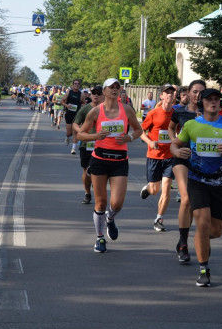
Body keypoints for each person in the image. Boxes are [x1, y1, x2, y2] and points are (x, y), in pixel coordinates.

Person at [171, 88, 222, 287]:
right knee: (202, 222)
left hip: (219, 182)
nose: (213, 103)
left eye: (216, 100)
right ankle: (204, 269)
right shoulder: (192, 125)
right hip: (197, 180)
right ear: (202, 103)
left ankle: (199, 239)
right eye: (209, 99)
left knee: (216, 231)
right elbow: (174, 144)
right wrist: (178, 151)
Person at [77, 78, 142, 253]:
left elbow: (138, 130)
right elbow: (81, 135)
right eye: (110, 87)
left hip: (120, 160)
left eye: (117, 87)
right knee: (100, 202)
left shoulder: (127, 110)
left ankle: (110, 219)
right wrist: (96, 136)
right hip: (99, 160)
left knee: (117, 203)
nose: (114, 90)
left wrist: (129, 137)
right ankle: (100, 238)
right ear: (104, 91)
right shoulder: (96, 112)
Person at [168, 79, 206, 264]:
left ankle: (187, 237)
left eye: (201, 92)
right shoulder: (180, 111)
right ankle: (183, 244)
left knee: (198, 206)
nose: (198, 95)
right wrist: (175, 142)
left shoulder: (210, 113)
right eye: (195, 91)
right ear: (189, 93)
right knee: (186, 199)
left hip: (202, 161)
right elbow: (170, 127)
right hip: (182, 157)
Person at [140, 84, 177, 231]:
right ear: (161, 96)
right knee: (155, 190)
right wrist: (149, 141)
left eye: (172, 93)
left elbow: (180, 131)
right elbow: (141, 131)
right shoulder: (153, 113)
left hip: (170, 156)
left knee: (166, 188)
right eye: (166, 93)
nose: (169, 95)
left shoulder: (176, 113)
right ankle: (148, 189)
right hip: (154, 155)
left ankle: (159, 219)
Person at [74, 85, 104, 204]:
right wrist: (80, 131)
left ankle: (99, 193)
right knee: (87, 171)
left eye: (99, 93)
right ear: (90, 95)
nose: (96, 95)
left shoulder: (107, 109)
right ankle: (87, 192)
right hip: (86, 144)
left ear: (103, 95)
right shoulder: (85, 109)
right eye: (94, 93)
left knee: (100, 171)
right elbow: (76, 123)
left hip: (102, 144)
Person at [64, 79, 84, 153]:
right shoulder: (69, 92)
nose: (76, 85)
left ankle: (73, 149)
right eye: (75, 83)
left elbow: (84, 103)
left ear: (79, 85)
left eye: (78, 84)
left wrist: (82, 109)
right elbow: (62, 101)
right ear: (73, 85)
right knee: (69, 133)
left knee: (75, 132)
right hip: (69, 114)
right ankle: (67, 136)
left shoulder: (81, 94)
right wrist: (67, 105)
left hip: (77, 115)